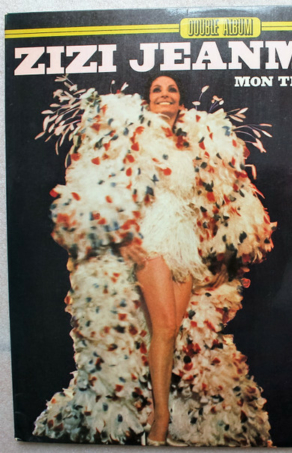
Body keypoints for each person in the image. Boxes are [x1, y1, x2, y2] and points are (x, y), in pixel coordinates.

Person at [33, 74, 276, 446]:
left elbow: (217, 194)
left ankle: (161, 411)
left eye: (171, 90)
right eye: (157, 90)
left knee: (172, 330)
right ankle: (159, 425)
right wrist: (120, 233)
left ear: (180, 101)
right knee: (163, 328)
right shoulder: (132, 135)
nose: (164, 94)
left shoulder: (194, 142)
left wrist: (223, 249)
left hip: (186, 240)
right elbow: (101, 182)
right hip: (152, 234)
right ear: (147, 100)